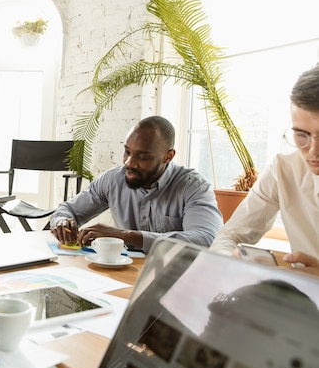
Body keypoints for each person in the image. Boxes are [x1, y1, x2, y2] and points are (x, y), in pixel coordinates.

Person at [50, 116, 223, 253]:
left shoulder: (194, 186)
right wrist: (63, 221)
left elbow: (206, 239)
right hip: (125, 273)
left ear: (168, 157)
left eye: (143, 157)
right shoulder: (112, 180)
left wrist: (127, 236)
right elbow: (68, 210)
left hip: (176, 279)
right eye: (127, 152)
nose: (129, 163)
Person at [210, 64, 319, 274]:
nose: (313, 151)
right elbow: (230, 235)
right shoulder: (284, 170)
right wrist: (230, 260)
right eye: (301, 135)